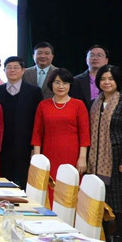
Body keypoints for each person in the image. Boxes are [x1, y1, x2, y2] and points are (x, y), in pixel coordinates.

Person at [87, 65, 122, 242]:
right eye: (103, 79)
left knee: (119, 199)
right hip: (96, 159)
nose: (106, 82)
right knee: (101, 197)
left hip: (117, 158)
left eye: (111, 79)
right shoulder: (94, 102)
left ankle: (118, 236)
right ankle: (105, 235)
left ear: (117, 82)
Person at [31, 68, 90, 206]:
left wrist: (82, 158)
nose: (61, 86)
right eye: (57, 82)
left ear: (70, 85)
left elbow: (84, 133)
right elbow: (37, 133)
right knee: (49, 188)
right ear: (51, 84)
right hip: (49, 155)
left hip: (72, 154)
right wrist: (38, 159)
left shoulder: (78, 105)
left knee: (70, 187)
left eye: (65, 83)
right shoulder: (43, 105)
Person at [0, 57, 42, 188]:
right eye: (9, 67)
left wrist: (34, 147)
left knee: (26, 182)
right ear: (4, 70)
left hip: (25, 145)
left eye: (16, 67)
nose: (12, 70)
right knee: (4, 182)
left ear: (23, 70)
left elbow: (38, 121)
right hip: (3, 145)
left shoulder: (34, 92)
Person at [71, 45, 111, 109]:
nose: (95, 58)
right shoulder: (76, 81)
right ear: (86, 60)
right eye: (92, 55)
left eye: (99, 55)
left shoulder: (114, 80)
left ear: (106, 61)